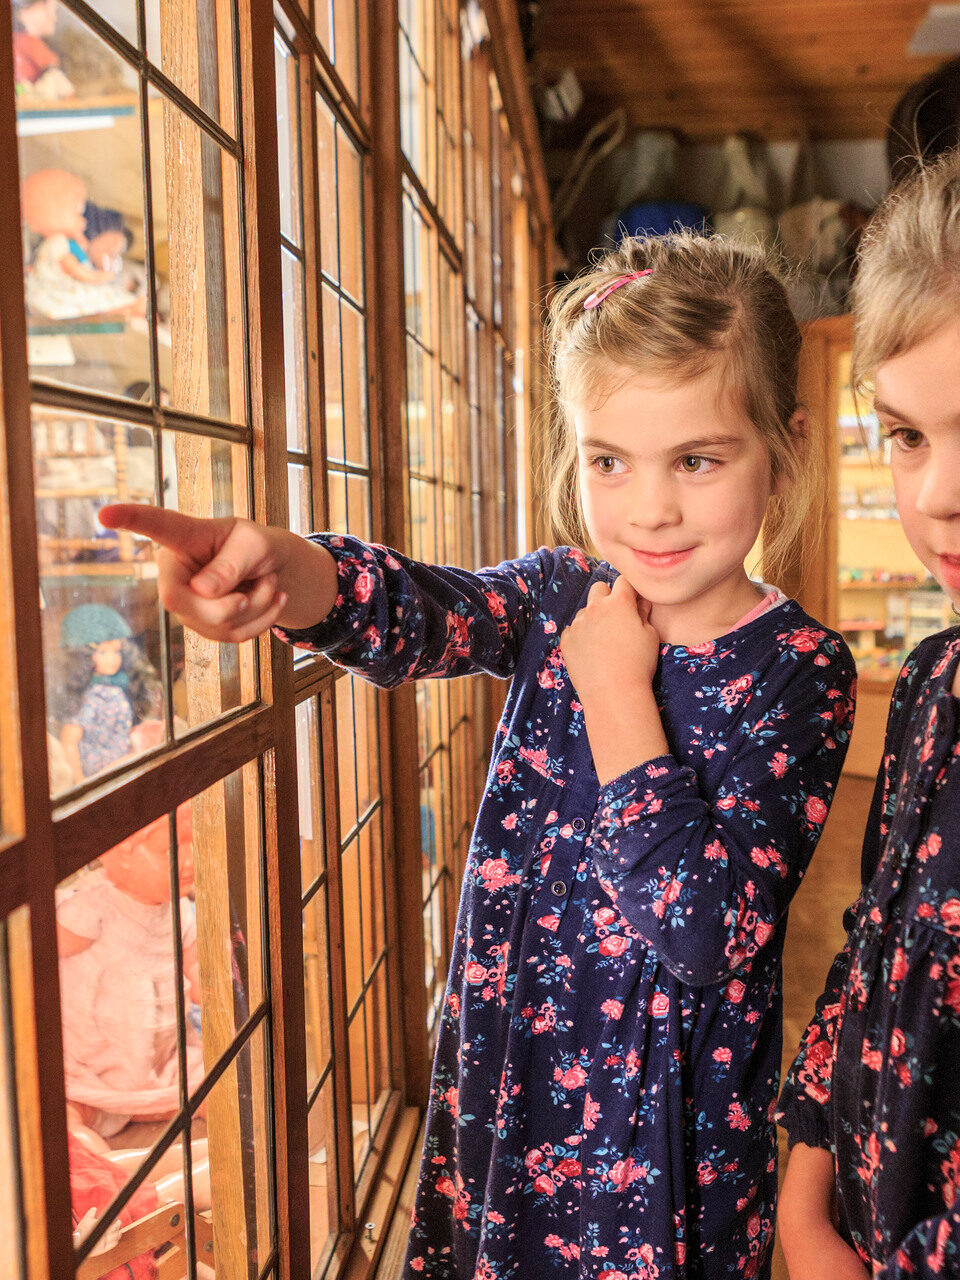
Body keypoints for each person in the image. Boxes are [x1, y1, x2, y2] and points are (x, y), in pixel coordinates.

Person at [99, 230, 856, 1279]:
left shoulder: (801, 670)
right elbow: (419, 610)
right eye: (609, 460)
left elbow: (704, 931)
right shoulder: (559, 598)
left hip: (661, 1148)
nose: (650, 507)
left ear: (787, 446)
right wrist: (292, 571)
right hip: (512, 1093)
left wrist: (617, 696)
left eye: (697, 458)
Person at [776, 148, 960, 1279]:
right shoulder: (934, 684)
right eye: (907, 434)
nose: (937, 492)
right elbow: (870, 952)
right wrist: (804, 1197)